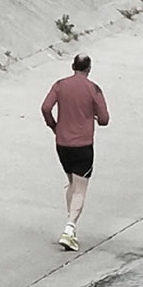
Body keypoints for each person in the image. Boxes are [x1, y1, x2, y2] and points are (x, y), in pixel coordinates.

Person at [41, 53, 109, 250]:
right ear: (89, 68)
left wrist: (54, 126)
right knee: (80, 188)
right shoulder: (93, 89)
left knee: (71, 182)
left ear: (73, 66)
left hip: (62, 144)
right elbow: (104, 119)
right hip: (83, 145)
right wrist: (94, 116)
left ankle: (70, 226)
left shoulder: (60, 85)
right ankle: (69, 229)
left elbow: (46, 107)